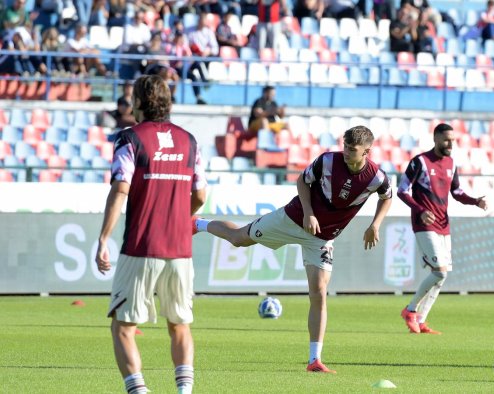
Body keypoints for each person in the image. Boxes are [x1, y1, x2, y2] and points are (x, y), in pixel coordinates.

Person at [193, 125, 393, 373]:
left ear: (367, 152)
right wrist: (309, 213)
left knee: (318, 291)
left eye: (352, 150)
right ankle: (198, 223)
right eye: (345, 146)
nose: (346, 152)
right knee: (238, 238)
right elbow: (302, 181)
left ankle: (314, 360)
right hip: (292, 219)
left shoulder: (376, 177)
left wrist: (375, 225)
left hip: (322, 238)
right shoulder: (327, 161)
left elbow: (387, 196)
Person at [95, 74, 208, 394]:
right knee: (180, 325)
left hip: (142, 247)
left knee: (123, 327)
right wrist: (175, 218)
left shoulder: (129, 138)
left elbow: (120, 188)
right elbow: (200, 196)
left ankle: (139, 391)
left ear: (139, 102)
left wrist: (104, 238)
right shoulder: (189, 140)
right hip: (180, 250)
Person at [397, 123, 487, 334]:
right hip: (424, 224)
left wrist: (475, 201)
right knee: (440, 272)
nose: (450, 144)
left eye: (453, 140)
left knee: (441, 277)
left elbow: (457, 192)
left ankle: (420, 320)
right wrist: (420, 210)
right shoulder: (420, 162)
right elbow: (402, 191)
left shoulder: (451, 163)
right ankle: (410, 310)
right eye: (446, 139)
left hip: (444, 226)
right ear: (436, 138)